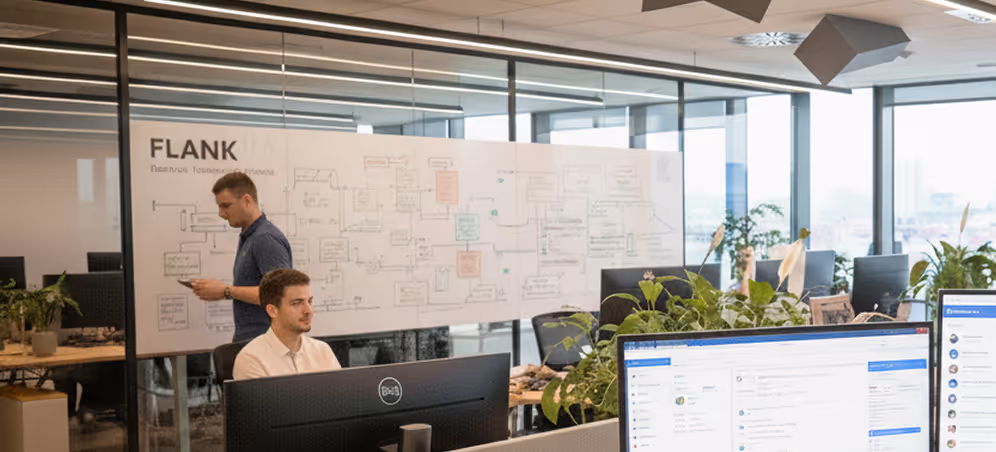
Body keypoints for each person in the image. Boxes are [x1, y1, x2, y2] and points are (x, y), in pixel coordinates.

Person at [191, 172, 292, 342]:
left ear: (247, 201)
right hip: (253, 342)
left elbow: (281, 295)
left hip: (267, 344)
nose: (221, 213)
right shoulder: (249, 237)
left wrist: (226, 291)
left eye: (226, 206)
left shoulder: (265, 239)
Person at [233, 269, 341, 380]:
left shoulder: (322, 350)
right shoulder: (251, 359)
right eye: (297, 303)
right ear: (272, 311)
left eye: (310, 301)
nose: (308, 310)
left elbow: (341, 395)